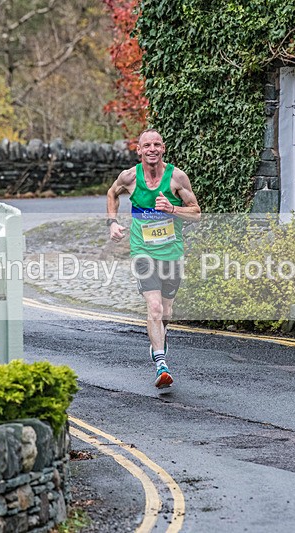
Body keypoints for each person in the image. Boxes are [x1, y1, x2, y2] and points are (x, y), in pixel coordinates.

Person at [106, 128, 201, 389]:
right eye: (146, 145)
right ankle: (161, 364)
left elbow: (196, 213)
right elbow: (112, 194)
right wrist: (112, 223)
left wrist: (172, 208)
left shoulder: (177, 178)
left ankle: (159, 337)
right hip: (142, 251)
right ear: (139, 150)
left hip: (171, 253)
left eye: (156, 145)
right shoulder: (129, 177)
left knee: (167, 311)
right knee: (155, 308)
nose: (151, 149)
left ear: (163, 149)